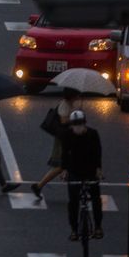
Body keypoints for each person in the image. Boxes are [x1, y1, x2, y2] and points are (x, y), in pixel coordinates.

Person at [59, 110, 103, 241]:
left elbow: (97, 152)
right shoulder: (67, 135)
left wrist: (98, 169)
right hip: (74, 170)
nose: (78, 127)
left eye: (80, 124)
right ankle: (74, 229)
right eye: (75, 124)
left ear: (85, 123)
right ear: (71, 125)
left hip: (90, 170)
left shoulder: (93, 134)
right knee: (73, 201)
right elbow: (65, 154)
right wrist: (64, 170)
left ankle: (98, 227)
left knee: (96, 199)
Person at [31, 88, 82, 199]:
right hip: (64, 138)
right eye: (77, 94)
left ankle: (68, 179)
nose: (79, 95)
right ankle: (39, 186)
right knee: (60, 165)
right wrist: (76, 118)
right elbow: (63, 120)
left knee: (70, 163)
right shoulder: (64, 105)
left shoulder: (70, 104)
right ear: (72, 95)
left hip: (69, 137)